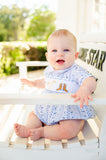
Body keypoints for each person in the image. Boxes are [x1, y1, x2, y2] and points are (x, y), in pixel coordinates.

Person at [14, 29, 97, 141]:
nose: (60, 54)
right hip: (47, 107)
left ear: (75, 55)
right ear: (47, 56)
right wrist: (34, 83)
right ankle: (29, 128)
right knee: (34, 115)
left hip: (69, 110)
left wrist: (85, 88)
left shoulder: (76, 71)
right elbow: (45, 82)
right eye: (54, 50)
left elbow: (90, 79)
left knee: (70, 129)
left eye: (66, 50)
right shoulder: (49, 70)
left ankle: (42, 131)